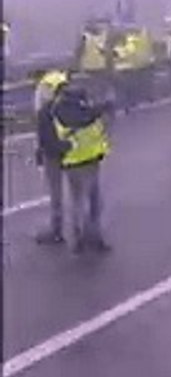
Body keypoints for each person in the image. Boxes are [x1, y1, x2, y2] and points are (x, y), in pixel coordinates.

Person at [44, 85, 113, 253]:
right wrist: (106, 105)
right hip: (88, 161)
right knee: (93, 203)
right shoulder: (84, 113)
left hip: (71, 162)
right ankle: (93, 238)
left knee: (77, 202)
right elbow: (92, 116)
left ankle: (78, 239)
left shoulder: (57, 111)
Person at [33, 70, 70, 245]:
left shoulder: (44, 109)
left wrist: (39, 153)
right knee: (82, 192)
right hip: (73, 151)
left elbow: (43, 137)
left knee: (56, 193)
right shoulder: (71, 103)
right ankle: (87, 229)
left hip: (53, 154)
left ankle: (56, 230)